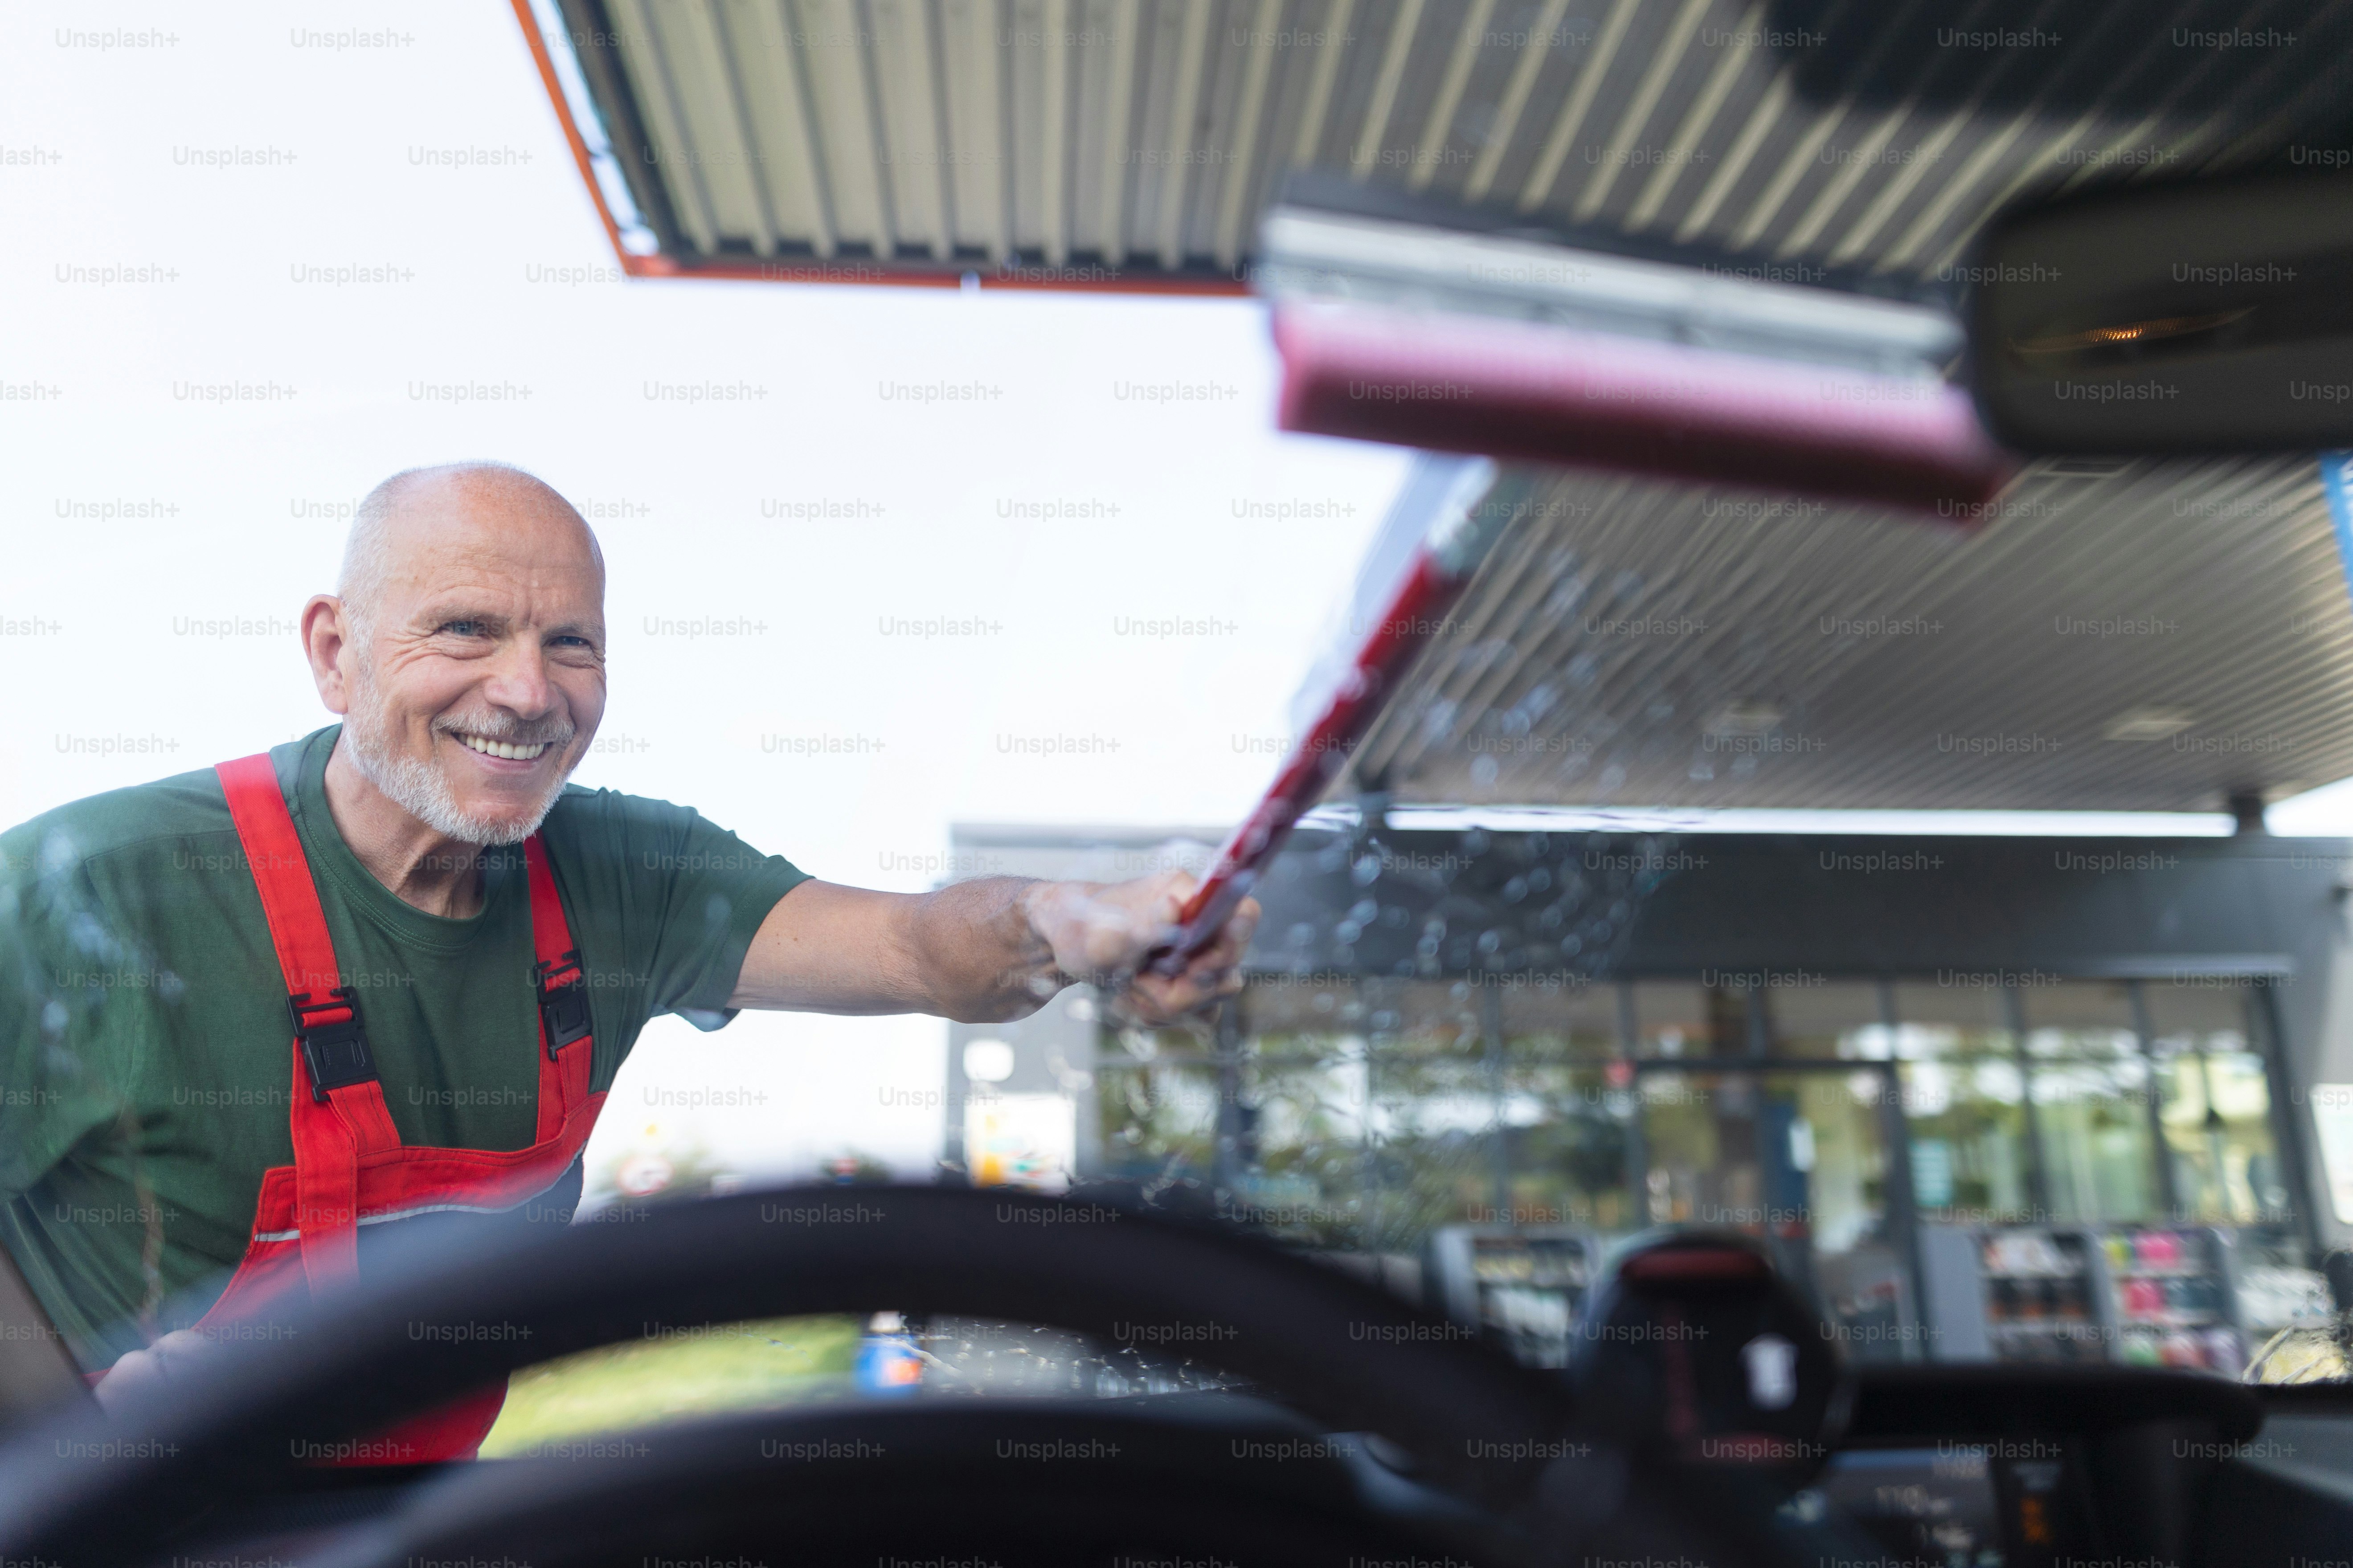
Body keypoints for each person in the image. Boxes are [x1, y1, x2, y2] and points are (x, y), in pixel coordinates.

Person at [0, 462, 1255, 1446]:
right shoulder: (87, 890)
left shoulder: (625, 878)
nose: (527, 691)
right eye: (465, 630)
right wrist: (70, 1419)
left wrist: (1069, 920)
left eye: (571, 645)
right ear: (334, 651)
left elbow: (919, 952)